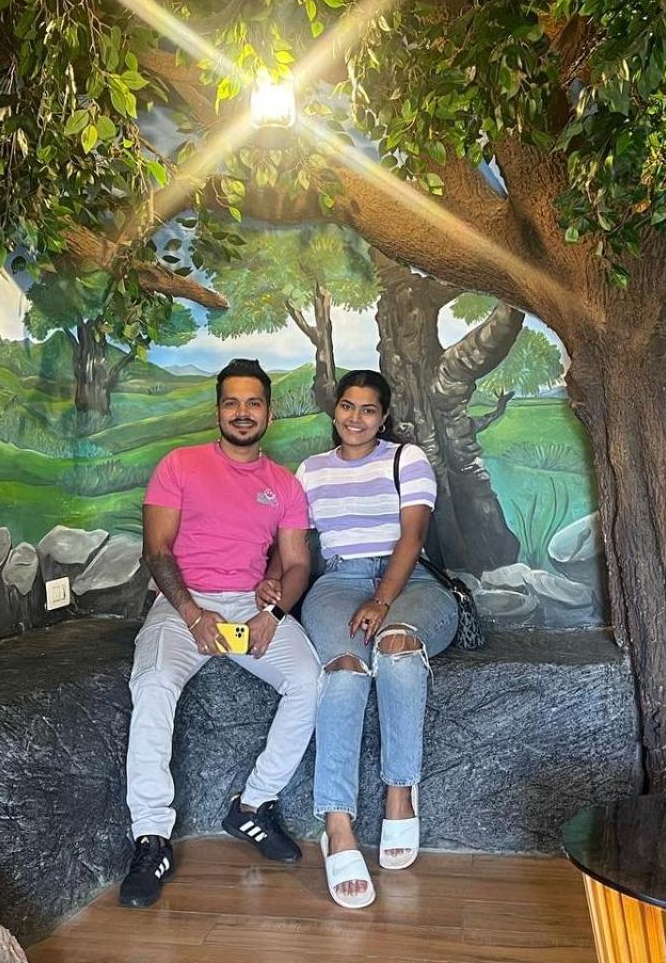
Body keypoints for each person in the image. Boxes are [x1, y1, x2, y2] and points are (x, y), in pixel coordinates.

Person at [119, 358, 319, 909]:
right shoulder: (179, 465)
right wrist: (191, 614)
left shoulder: (284, 485)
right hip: (182, 605)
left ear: (269, 414)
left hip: (249, 608)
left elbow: (296, 564)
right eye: (232, 402)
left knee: (309, 680)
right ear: (218, 412)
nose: (242, 412)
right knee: (154, 683)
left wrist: (272, 612)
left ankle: (253, 805)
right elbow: (157, 551)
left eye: (253, 403)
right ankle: (151, 837)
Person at [284, 369, 457, 908]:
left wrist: (382, 600)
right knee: (343, 672)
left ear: (383, 418)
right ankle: (337, 826)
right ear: (334, 409)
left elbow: (413, 537)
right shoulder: (311, 470)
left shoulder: (407, 458)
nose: (355, 418)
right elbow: (293, 545)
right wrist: (270, 588)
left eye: (368, 409)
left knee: (397, 651)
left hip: (411, 581)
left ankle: (400, 794)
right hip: (338, 583)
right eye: (347, 406)